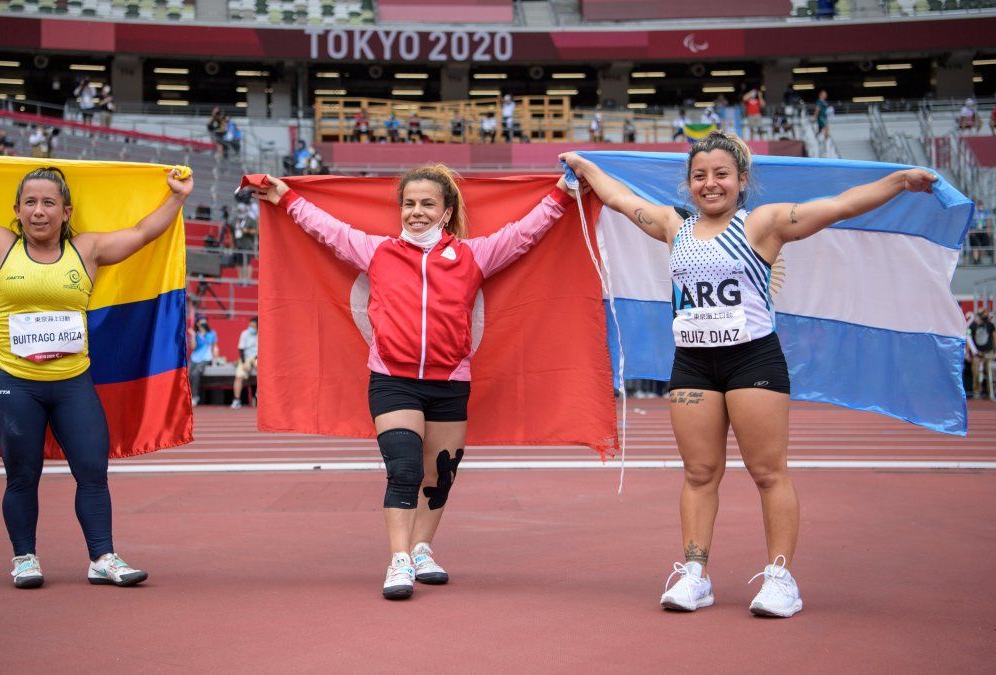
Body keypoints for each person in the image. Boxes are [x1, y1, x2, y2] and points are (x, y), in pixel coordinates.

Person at [562, 131, 938, 618]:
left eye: (721, 174)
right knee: (699, 473)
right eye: (700, 176)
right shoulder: (673, 225)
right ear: (688, 184)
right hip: (694, 364)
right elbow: (617, 198)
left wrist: (900, 180)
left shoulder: (762, 224)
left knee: (767, 472)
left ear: (742, 180)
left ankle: (780, 578)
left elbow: (840, 206)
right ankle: (695, 575)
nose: (710, 184)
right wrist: (582, 164)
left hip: (752, 361)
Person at [253, 164, 580, 600]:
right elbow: (327, 229)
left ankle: (423, 548)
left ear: (446, 212)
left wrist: (561, 193)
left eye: (427, 204)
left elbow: (524, 233)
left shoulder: (473, 256)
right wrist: (285, 198)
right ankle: (399, 559)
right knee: (404, 468)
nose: (416, 212)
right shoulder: (376, 251)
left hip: (450, 382)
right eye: (409, 204)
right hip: (393, 380)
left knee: (440, 474)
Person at [0, 149, 193, 588]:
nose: (39, 211)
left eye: (49, 203)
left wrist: (177, 198)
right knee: (22, 476)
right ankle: (25, 558)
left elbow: (143, 232)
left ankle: (102, 558)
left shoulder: (87, 249)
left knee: (92, 472)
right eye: (30, 202)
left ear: (66, 212)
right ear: (17, 210)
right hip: (15, 386)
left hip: (73, 386)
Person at [188, 316, 219, 407]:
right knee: (188, 375)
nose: (204, 324)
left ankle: (195, 397)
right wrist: (193, 336)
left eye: (205, 322)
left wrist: (214, 361)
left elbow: (214, 347)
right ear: (197, 324)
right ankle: (188, 397)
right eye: (201, 322)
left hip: (206, 358)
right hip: (195, 358)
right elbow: (193, 347)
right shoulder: (196, 334)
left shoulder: (212, 333)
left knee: (195, 373)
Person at [232, 317, 258, 409]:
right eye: (250, 325)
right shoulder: (245, 333)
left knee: (259, 366)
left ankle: (259, 393)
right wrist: (243, 363)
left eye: (253, 326)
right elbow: (241, 349)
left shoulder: (262, 333)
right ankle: (236, 400)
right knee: (239, 376)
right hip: (246, 358)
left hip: (257, 357)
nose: (251, 327)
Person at [970, 308, 995, 399]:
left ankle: (992, 392)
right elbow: (969, 339)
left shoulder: (990, 325)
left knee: (991, 371)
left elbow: (994, 337)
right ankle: (977, 392)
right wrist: (970, 353)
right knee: (976, 370)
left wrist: (994, 351)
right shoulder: (973, 325)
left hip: (989, 352)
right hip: (977, 353)